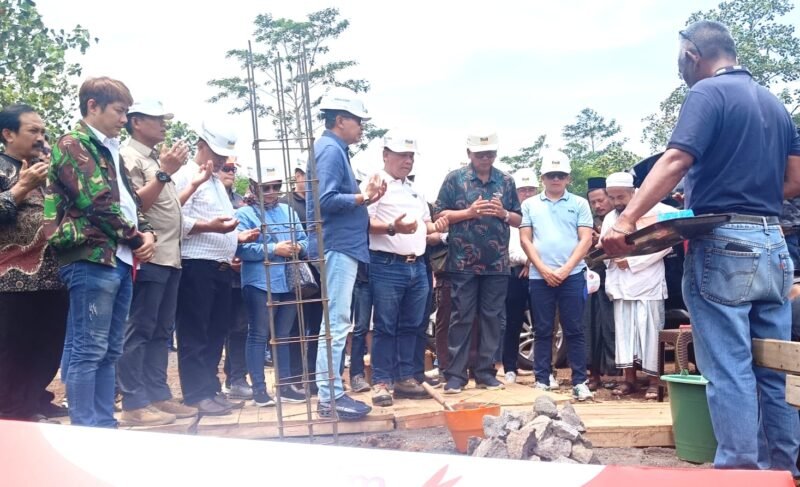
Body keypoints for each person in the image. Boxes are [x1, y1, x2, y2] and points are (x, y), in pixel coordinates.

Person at [602, 20, 800, 473]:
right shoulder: (775, 102)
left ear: (692, 54)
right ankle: (785, 473)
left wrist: (627, 219)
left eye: (680, 61)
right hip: (774, 243)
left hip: (725, 244)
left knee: (729, 368)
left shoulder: (707, 94)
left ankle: (739, 475)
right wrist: (750, 193)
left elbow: (676, 158)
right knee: (774, 368)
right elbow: (795, 181)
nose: (680, 70)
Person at [44, 77, 157, 427]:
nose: (124, 119)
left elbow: (129, 201)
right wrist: (137, 238)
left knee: (109, 350)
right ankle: (86, 428)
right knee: (87, 349)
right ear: (93, 106)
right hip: (91, 257)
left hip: (117, 259)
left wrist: (145, 231)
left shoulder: (109, 149)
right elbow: (97, 202)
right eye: (120, 111)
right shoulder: (73, 144)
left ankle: (104, 425)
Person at [306, 87, 385, 420]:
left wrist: (363, 198)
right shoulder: (329, 150)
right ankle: (330, 397)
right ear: (340, 120)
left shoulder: (334, 149)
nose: (362, 127)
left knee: (336, 320)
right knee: (336, 322)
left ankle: (331, 394)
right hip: (336, 244)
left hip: (340, 244)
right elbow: (325, 200)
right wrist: (362, 197)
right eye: (358, 121)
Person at [117, 100, 197, 426]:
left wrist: (167, 171)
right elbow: (137, 206)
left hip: (170, 257)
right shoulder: (128, 157)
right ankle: (134, 403)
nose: (164, 125)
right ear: (137, 122)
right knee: (139, 330)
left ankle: (157, 395)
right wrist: (165, 172)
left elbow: (167, 206)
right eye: (157, 119)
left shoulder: (153, 158)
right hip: (148, 255)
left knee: (161, 331)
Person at [172, 120, 259, 416]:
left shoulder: (217, 184)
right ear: (200, 145)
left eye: (225, 156)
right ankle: (195, 393)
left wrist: (237, 236)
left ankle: (209, 388)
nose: (221, 160)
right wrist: (209, 227)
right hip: (196, 264)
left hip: (221, 267)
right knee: (195, 330)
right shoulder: (185, 175)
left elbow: (219, 223)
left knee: (215, 331)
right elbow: (174, 222)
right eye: (217, 153)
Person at [433, 131, 522, 394]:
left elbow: (519, 218)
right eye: (480, 154)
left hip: (496, 263)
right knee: (461, 317)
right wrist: (469, 213)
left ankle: (485, 372)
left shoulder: (506, 181)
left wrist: (503, 213)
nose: (486, 158)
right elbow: (439, 214)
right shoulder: (454, 179)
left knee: (493, 318)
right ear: (469, 154)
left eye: (490, 153)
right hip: (462, 261)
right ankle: (456, 375)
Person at [366, 132, 448, 406]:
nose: (408, 160)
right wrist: (393, 228)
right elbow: (363, 224)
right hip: (387, 264)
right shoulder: (376, 184)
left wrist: (441, 225)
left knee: (413, 326)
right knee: (386, 326)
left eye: (411, 156)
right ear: (386, 155)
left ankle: (405, 377)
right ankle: (381, 381)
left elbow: (427, 225)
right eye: (403, 155)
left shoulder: (414, 189)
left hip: (417, 265)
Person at [0, 104, 68, 422]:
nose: (41, 137)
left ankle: (36, 397)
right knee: (15, 346)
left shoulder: (48, 168)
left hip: (53, 273)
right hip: (11, 278)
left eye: (43, 131)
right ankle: (13, 409)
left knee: (48, 343)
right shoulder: (3, 168)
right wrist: (21, 187)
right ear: (8, 134)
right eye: (33, 131)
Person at [519, 152, 593, 401]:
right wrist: (542, 268)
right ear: (543, 177)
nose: (556, 179)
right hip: (540, 276)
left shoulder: (580, 204)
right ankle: (542, 378)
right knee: (542, 329)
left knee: (574, 329)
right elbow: (525, 239)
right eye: (551, 175)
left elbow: (586, 238)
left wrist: (565, 269)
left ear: (568, 178)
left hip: (572, 274)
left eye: (560, 175)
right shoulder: (530, 205)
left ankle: (579, 380)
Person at [236, 162, 307, 406]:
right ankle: (258, 389)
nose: (272, 191)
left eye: (276, 186)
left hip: (288, 280)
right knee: (258, 334)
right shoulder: (244, 214)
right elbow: (240, 248)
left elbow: (305, 239)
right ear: (254, 188)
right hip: (259, 281)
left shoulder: (288, 211)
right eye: (266, 187)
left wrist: (298, 247)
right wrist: (273, 248)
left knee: (284, 335)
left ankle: (285, 386)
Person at [601, 172, 672, 399]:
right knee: (625, 333)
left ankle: (653, 381)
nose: (616, 202)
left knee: (650, 331)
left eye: (620, 197)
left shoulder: (657, 210)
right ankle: (628, 380)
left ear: (634, 192)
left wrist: (632, 262)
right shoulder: (611, 218)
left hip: (647, 282)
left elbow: (667, 244)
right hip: (621, 285)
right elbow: (604, 246)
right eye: (611, 198)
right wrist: (611, 257)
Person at [281, 157, 322, 395]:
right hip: (294, 274)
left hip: (319, 274)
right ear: (297, 175)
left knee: (317, 328)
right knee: (294, 327)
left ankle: (314, 376)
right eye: (306, 175)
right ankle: (296, 376)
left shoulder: (320, 203)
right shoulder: (287, 204)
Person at [217, 159, 253, 401]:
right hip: (216, 269)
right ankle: (209, 383)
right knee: (214, 329)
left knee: (240, 328)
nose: (230, 173)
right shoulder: (209, 197)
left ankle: (237, 377)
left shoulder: (241, 200)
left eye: (233, 169)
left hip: (241, 275)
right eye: (226, 169)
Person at [502, 167, 538, 384]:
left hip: (540, 274)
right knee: (512, 322)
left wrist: (533, 263)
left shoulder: (542, 214)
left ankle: (544, 369)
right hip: (515, 275)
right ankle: (510, 367)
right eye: (522, 190)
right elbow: (510, 251)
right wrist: (529, 260)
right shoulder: (510, 217)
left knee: (542, 322)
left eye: (530, 189)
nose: (526, 194)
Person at [583, 177, 618, 391]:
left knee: (612, 327)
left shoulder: (619, 220)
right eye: (593, 202)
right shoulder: (587, 223)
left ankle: (617, 374)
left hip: (615, 278)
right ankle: (593, 374)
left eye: (601, 200)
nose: (598, 205)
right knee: (589, 327)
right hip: (592, 278)